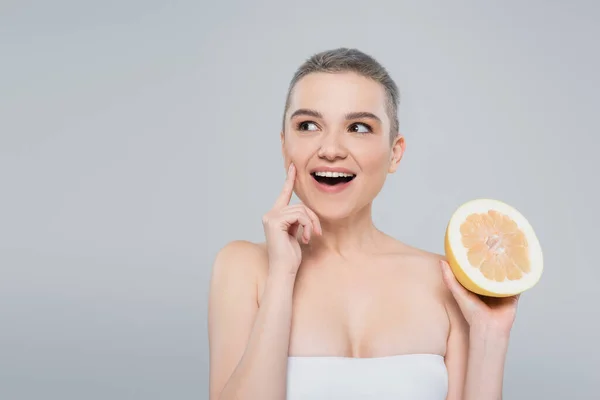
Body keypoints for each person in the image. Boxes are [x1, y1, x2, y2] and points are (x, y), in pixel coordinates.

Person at [207, 47, 520, 400]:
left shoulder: (446, 280)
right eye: (308, 125)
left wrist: (492, 337)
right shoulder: (243, 268)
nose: (331, 148)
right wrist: (282, 276)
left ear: (394, 153)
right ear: (285, 147)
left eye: (358, 127)